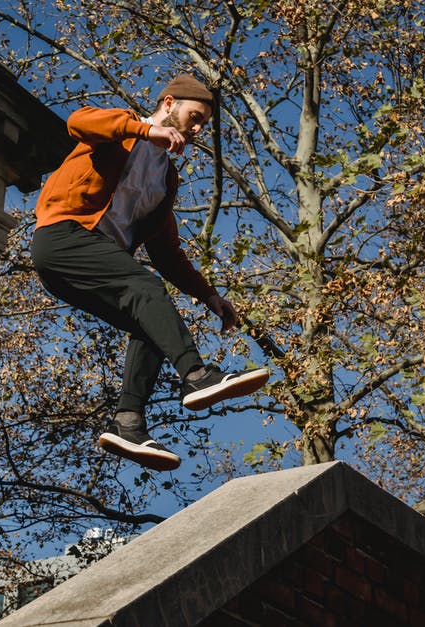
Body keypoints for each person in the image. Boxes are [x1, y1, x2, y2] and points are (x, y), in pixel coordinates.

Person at [30, 74, 269, 471]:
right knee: (146, 290)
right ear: (169, 103)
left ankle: (128, 424)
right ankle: (195, 374)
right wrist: (145, 130)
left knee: (153, 323)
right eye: (194, 117)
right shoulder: (122, 130)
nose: (195, 129)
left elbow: (167, 252)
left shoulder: (165, 179)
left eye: (202, 126)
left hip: (93, 262)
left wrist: (208, 295)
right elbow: (78, 121)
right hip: (63, 236)